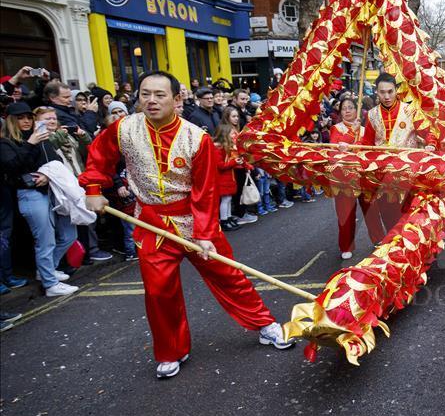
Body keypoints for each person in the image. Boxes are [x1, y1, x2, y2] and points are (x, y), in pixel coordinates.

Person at [79, 71, 292, 379]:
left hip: (194, 220)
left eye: (160, 95)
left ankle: (264, 325)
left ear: (176, 99)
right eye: (145, 94)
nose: (151, 101)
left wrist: (205, 234)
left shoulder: (197, 137)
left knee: (229, 275)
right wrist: (94, 189)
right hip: (150, 222)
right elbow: (99, 157)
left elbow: (204, 190)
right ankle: (170, 350)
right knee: (158, 292)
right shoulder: (124, 129)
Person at [0, 102, 79, 296]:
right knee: (45, 241)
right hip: (29, 194)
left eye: (28, 117)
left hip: (51, 191)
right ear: (11, 121)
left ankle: (47, 270)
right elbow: (13, 167)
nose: (26, 121)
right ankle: (50, 283)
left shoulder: (39, 137)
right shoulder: (6, 143)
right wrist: (30, 144)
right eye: (20, 118)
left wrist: (46, 174)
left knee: (69, 234)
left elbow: (56, 162)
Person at [361, 73, 434, 240]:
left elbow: (428, 133)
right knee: (389, 216)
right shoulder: (371, 115)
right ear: (376, 93)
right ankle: (394, 248)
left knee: (412, 216)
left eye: (390, 91)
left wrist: (431, 144)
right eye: (382, 92)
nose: (386, 96)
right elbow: (366, 144)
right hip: (383, 175)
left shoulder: (410, 111)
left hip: (408, 173)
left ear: (396, 91)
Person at [330, 97, 373, 259]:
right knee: (346, 214)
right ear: (340, 112)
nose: (347, 111)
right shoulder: (336, 128)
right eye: (344, 108)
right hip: (344, 178)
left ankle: (378, 240)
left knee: (371, 210)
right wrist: (351, 133)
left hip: (363, 177)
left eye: (350, 108)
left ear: (357, 110)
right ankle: (346, 246)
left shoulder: (364, 129)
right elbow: (336, 153)